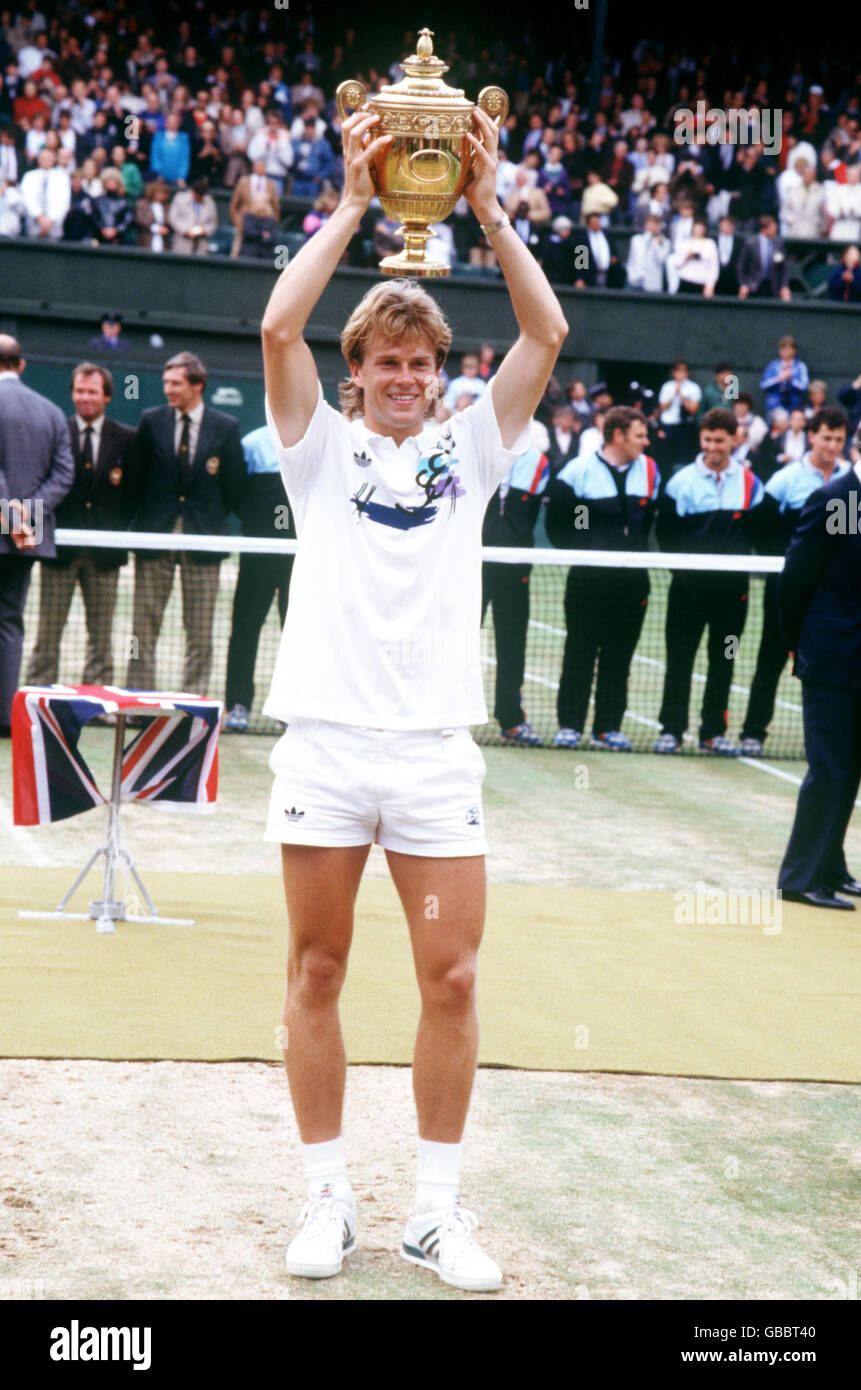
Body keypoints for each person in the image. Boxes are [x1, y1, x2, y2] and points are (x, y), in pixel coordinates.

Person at [260, 102, 567, 1290]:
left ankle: (434, 1212)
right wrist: (349, 201)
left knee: (451, 977)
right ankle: (326, 1197)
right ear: (358, 375)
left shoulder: (469, 450)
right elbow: (280, 321)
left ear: (441, 376)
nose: (403, 378)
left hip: (435, 754)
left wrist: (486, 209)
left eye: (421, 363)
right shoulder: (315, 448)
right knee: (317, 972)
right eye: (385, 363)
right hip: (326, 748)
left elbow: (545, 329)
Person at [776, 420, 861, 910]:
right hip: (831, 656)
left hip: (860, 660)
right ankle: (799, 877)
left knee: (851, 767)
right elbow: (796, 579)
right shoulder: (836, 498)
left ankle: (830, 867)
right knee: (828, 769)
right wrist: (797, 644)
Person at [125, 351, 244, 697]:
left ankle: (194, 700)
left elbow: (234, 486)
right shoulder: (150, 421)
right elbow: (137, 478)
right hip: (155, 535)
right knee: (142, 628)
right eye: (166, 382)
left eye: (175, 383)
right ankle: (138, 697)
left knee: (200, 629)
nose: (168, 389)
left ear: (198, 386)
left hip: (203, 539)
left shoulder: (226, 427)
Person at [546, 406, 659, 751]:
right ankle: (570, 725)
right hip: (588, 582)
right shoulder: (576, 472)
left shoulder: (651, 472)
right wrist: (587, 550)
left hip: (633, 583)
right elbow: (558, 527)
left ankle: (608, 727)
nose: (646, 441)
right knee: (579, 651)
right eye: (640, 435)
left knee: (619, 655)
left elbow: (654, 521)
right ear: (618, 435)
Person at [740, 408, 849, 757]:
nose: (832, 445)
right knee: (771, 657)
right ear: (811, 436)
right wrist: (790, 564)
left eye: (838, 439)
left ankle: (837, 739)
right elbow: (760, 528)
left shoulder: (851, 481)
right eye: (826, 437)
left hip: (834, 595)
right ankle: (753, 732)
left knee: (839, 663)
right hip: (788, 588)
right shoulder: (785, 479)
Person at [654, 408, 764, 756]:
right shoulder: (680, 483)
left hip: (733, 597)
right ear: (701, 439)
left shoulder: (751, 483)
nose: (714, 447)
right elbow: (666, 535)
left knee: (724, 660)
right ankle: (671, 730)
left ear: (734, 440)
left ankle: (713, 732)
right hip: (687, 594)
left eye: (720, 440)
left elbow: (758, 532)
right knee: (680, 660)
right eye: (708, 440)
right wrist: (688, 574)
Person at [25, 362, 137, 688]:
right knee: (48, 631)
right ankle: (40, 691)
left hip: (106, 555)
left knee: (100, 634)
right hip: (58, 551)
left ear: (107, 396)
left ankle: (96, 696)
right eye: (79, 391)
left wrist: (112, 529)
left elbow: (134, 493)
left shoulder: (128, 439)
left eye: (91, 391)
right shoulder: (56, 430)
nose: (84, 397)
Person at [0, 334, 74, 734]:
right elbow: (63, 476)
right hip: (25, 539)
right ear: (21, 365)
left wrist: (9, 517)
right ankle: (3, 718)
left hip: (14, 532)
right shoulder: (51, 412)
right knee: (9, 624)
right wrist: (24, 517)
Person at [223, 425, 295, 733]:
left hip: (300, 555)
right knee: (244, 629)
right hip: (257, 555)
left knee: (299, 633)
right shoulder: (251, 444)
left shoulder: (317, 438)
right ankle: (237, 705)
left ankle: (292, 709)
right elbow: (235, 496)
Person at [480, 434, 550, 745]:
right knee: (457, 643)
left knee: (512, 646)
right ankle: (448, 720)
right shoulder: (472, 450)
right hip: (470, 567)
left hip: (516, 568)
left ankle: (511, 718)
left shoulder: (538, 462)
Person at [655, 359, 701, 476]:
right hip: (668, 426)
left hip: (684, 427)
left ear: (687, 373)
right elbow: (662, 407)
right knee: (665, 457)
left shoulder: (693, 388)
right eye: (678, 371)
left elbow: (693, 409)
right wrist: (673, 394)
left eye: (683, 371)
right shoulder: (667, 387)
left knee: (682, 458)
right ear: (673, 373)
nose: (680, 374)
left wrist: (681, 395)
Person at [737, 215, 792, 301]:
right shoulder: (751, 244)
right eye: (773, 227)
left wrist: (784, 286)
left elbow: (785, 267)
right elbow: (741, 267)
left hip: (773, 287)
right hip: (753, 287)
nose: (775, 229)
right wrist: (743, 284)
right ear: (764, 229)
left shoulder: (779, 244)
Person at [760, 335, 809, 416]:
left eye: (788, 349)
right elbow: (763, 385)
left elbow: (804, 386)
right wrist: (777, 379)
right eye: (783, 349)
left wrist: (791, 379)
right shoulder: (772, 365)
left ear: (794, 351)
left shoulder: (800, 366)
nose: (785, 352)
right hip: (775, 403)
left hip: (794, 403)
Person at [167, 177, 217, 255]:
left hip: (201, 243)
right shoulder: (180, 198)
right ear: (192, 191)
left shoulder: (209, 201)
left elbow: (213, 222)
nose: (199, 197)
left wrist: (204, 230)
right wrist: (186, 231)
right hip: (182, 241)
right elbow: (173, 218)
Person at [625, 212, 669, 292]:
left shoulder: (665, 242)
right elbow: (631, 259)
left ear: (660, 227)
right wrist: (631, 274)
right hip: (634, 281)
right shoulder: (636, 239)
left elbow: (661, 260)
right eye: (650, 224)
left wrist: (655, 243)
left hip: (652, 285)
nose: (652, 227)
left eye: (655, 224)